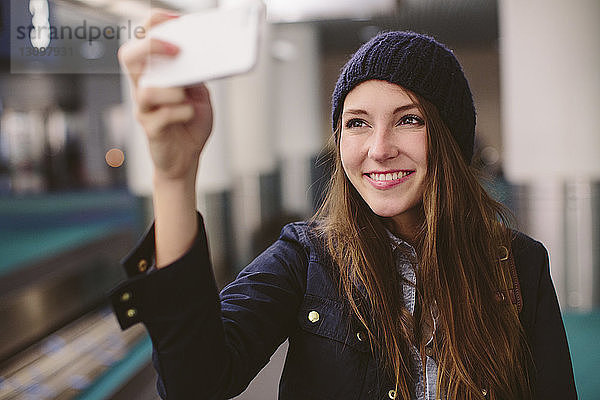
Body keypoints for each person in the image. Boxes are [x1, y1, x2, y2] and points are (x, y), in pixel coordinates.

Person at [110, 10, 577, 400]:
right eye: (357, 123)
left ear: (450, 139)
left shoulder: (518, 263)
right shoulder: (306, 257)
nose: (378, 148)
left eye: (408, 120)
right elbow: (194, 382)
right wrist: (174, 177)